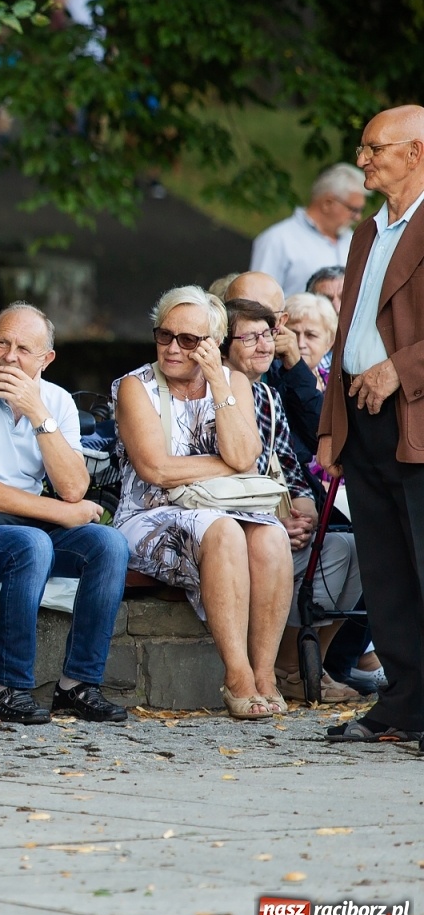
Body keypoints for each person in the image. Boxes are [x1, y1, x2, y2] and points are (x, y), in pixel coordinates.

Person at [0, 303, 129, 724]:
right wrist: (60, 512)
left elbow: (75, 487)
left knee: (109, 544)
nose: (11, 356)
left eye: (24, 349)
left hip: (27, 526)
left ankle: (77, 685)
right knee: (32, 545)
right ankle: (9, 688)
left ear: (46, 359)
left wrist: (39, 414)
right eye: (2, 343)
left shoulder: (55, 401)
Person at [112, 286, 291, 720]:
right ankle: (237, 677)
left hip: (218, 508)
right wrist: (230, 466)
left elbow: (245, 453)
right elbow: (156, 470)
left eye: (189, 340)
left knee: (271, 536)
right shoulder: (137, 388)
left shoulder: (233, 384)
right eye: (164, 335)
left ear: (213, 343)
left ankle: (265, 676)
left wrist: (217, 382)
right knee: (223, 530)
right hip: (149, 513)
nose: (173, 348)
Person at [317, 104, 424, 745]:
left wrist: (399, 370)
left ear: (416, 152)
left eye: (374, 148)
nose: (363, 159)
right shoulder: (367, 231)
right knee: (385, 572)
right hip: (364, 417)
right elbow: (345, 336)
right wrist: (334, 426)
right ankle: (405, 705)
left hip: (414, 415)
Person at [220, 299, 362, 703]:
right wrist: (272, 522)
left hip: (276, 522)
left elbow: (290, 466)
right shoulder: (214, 396)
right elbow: (218, 479)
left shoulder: (266, 394)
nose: (264, 345)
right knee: (302, 547)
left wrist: (305, 508)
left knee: (349, 547)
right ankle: (288, 669)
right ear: (223, 345)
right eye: (249, 337)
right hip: (237, 530)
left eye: (267, 334)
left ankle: (300, 666)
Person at [226, 271, 323, 461]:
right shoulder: (208, 371)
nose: (253, 318)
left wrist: (295, 367)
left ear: (281, 322)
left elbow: (321, 438)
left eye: (264, 314)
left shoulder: (285, 368)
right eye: (241, 309)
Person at [249, 164, 368, 300]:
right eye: (353, 210)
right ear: (327, 203)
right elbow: (258, 302)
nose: (358, 217)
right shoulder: (277, 239)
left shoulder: (354, 241)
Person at [284, 291, 338, 390]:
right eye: (294, 334)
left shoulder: (335, 384)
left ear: (329, 343)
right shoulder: (274, 380)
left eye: (311, 335)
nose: (300, 344)